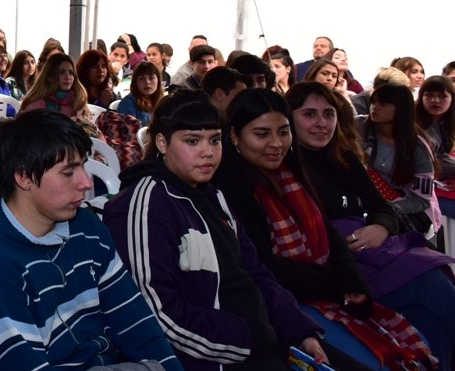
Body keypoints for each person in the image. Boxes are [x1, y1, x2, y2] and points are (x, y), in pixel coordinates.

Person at [104, 92, 326, 370]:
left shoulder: (213, 196)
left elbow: (255, 273)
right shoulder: (144, 204)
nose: (207, 152)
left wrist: (299, 332)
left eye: (215, 140)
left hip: (263, 345)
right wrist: (245, 340)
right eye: (192, 141)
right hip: (213, 358)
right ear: (162, 142)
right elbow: (153, 312)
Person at [215, 88, 434, 369]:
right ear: (234, 136)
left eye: (283, 132)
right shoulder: (231, 186)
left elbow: (325, 228)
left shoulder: (289, 170)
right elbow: (262, 265)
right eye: (261, 134)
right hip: (280, 302)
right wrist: (337, 282)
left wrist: (351, 280)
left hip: (327, 285)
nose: (276, 143)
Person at [0, 110, 181, 370]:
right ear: (24, 176)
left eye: (84, 166)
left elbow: (135, 321)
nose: (86, 182)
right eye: (68, 172)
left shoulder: (86, 226)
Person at [287, 81, 455, 370]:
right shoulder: (286, 165)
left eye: (328, 114)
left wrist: (381, 227)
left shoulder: (344, 156)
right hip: (352, 265)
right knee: (439, 296)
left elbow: (381, 207)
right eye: (310, 114)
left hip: (383, 251)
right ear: (289, 117)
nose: (321, 123)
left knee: (435, 324)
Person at [361, 82, 441, 237]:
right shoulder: (360, 126)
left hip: (412, 209)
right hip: (374, 202)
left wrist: (386, 208)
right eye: (373, 102)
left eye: (383, 103)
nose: (374, 107)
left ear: (401, 108)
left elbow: (421, 200)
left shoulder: (417, 147)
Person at [19, 52, 95, 132]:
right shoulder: (37, 104)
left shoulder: (78, 101)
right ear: (49, 76)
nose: (68, 77)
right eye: (61, 72)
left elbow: (91, 132)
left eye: (71, 73)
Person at [416, 75, 455, 179]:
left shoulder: (449, 121)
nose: (435, 100)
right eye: (429, 95)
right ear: (421, 97)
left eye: (442, 96)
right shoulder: (412, 121)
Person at [115, 60, 163, 126]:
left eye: (151, 78)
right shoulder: (127, 103)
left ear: (158, 81)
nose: (147, 82)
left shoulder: (162, 101)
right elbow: (130, 131)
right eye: (141, 79)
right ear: (135, 82)